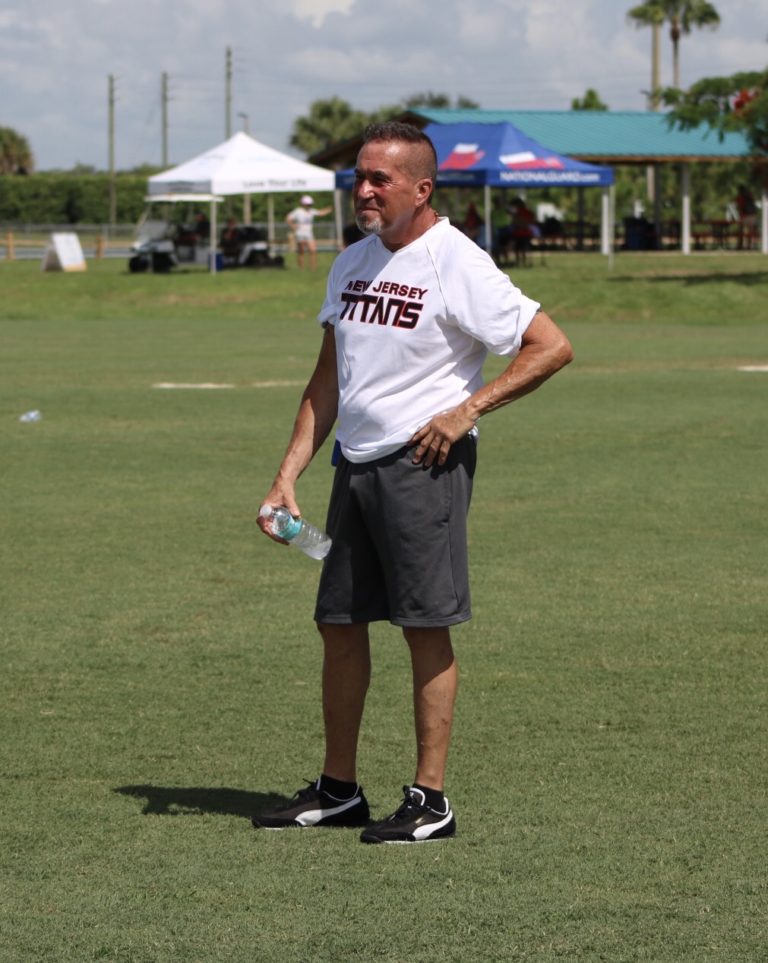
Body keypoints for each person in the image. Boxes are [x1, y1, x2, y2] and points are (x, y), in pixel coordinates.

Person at [253, 121, 573, 844]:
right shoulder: (351, 263)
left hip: (424, 465)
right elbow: (328, 377)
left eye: (380, 179)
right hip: (355, 466)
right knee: (338, 621)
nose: (363, 189)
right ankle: (339, 790)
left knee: (424, 626)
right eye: (359, 177)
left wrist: (466, 410)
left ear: (422, 189)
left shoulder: (454, 260)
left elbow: (551, 346)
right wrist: (287, 474)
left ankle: (431, 800)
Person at [285, 194, 333, 269]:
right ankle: (301, 268)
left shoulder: (311, 211)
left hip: (309, 233)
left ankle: (313, 268)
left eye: (310, 204)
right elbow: (288, 218)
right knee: (301, 252)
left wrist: (330, 209)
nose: (309, 205)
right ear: (303, 204)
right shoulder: (298, 211)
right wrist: (293, 225)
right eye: (307, 204)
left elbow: (321, 213)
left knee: (313, 250)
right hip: (300, 233)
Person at [510, 197, 537, 268]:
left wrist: (520, 223)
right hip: (523, 233)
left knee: (519, 249)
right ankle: (523, 262)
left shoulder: (518, 213)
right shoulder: (526, 212)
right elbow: (529, 222)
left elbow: (515, 222)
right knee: (523, 249)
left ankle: (519, 262)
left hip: (522, 233)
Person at [735, 185, 757, 251]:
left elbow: (739, 206)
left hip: (744, 217)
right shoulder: (750, 196)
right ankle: (750, 246)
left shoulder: (741, 197)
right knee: (750, 232)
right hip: (752, 216)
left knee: (742, 232)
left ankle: (742, 246)